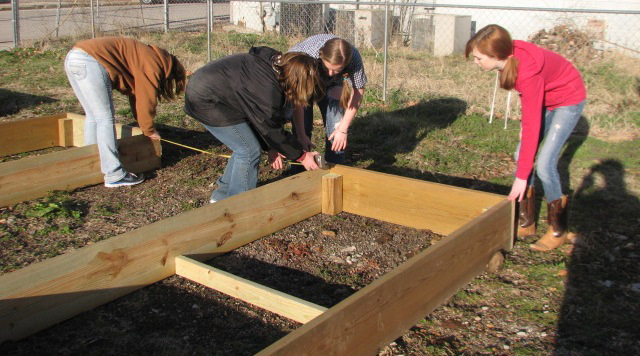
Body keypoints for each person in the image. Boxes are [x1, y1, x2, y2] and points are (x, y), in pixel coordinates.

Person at [465, 24, 586, 251]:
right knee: (521, 154)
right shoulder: (509, 62)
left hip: (567, 99)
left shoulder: (526, 73)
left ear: (495, 56)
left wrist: (521, 177)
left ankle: (558, 229)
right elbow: (529, 105)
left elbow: (532, 116)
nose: (476, 62)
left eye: (479, 58)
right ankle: (526, 221)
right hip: (545, 98)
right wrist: (526, 131)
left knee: (544, 165)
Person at [184, 46, 324, 203]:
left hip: (217, 93)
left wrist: (273, 147)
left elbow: (261, 119)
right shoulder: (268, 89)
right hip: (207, 100)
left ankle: (221, 197)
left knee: (243, 145)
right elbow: (269, 127)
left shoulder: (274, 64)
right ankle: (238, 205)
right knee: (248, 150)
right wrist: (302, 156)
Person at [64, 36, 186, 188]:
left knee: (93, 116)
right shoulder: (152, 63)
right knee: (104, 118)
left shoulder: (144, 54)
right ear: (170, 70)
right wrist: (149, 130)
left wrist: (144, 126)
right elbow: (146, 98)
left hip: (74, 57)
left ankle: (91, 163)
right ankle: (114, 174)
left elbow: (137, 96)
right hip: (91, 61)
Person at [288, 34, 367, 167]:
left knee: (336, 123)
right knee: (302, 127)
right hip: (304, 82)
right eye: (328, 68)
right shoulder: (307, 55)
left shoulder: (354, 58)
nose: (330, 73)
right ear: (321, 56)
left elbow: (358, 93)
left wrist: (342, 129)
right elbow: (297, 100)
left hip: (332, 86)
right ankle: (298, 169)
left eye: (336, 70)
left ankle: (334, 167)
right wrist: (301, 134)